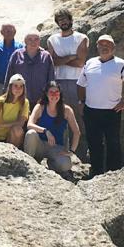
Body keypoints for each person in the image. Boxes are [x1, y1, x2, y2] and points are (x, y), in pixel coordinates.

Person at [77, 35, 124, 177]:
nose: (104, 47)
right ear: (97, 47)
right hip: (91, 111)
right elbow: (81, 84)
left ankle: (114, 174)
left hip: (111, 112)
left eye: (108, 45)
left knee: (113, 143)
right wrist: (81, 102)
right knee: (94, 144)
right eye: (101, 45)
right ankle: (96, 173)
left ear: (113, 48)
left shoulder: (121, 65)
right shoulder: (90, 63)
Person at [47, 9, 89, 160]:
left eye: (65, 19)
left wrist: (61, 60)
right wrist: (70, 57)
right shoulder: (52, 39)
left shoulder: (81, 38)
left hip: (77, 83)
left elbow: (80, 63)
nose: (63, 22)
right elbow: (52, 62)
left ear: (71, 20)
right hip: (58, 83)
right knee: (59, 117)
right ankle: (60, 152)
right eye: (60, 20)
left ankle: (81, 154)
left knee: (78, 118)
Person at [24, 81, 81, 174]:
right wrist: (46, 131)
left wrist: (72, 151)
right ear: (46, 94)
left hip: (56, 148)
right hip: (40, 145)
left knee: (66, 165)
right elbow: (29, 125)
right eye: (51, 92)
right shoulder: (40, 107)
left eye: (57, 92)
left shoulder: (67, 110)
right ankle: (28, 164)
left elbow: (76, 132)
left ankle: (52, 164)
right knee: (31, 134)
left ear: (60, 94)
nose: (54, 95)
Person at [4, 32, 54, 109]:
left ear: (39, 41)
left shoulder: (46, 56)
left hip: (40, 99)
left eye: (36, 39)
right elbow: (9, 76)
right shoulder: (16, 55)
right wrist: (6, 93)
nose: (33, 42)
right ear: (25, 41)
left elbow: (51, 78)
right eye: (30, 39)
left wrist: (49, 96)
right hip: (19, 98)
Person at [0, 74, 29, 147]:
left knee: (18, 130)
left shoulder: (24, 102)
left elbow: (20, 123)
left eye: (21, 86)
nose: (18, 89)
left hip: (10, 136)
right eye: (15, 86)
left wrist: (2, 125)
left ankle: (13, 155)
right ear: (10, 87)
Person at [0, 24, 24, 100]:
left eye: (11, 30)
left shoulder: (20, 48)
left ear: (15, 32)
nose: (9, 33)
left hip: (15, 85)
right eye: (6, 31)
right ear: (1, 32)